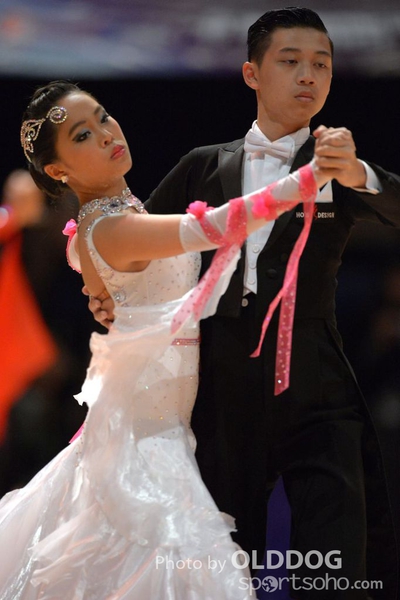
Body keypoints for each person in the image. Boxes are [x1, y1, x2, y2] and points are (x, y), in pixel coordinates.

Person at [89, 7, 400, 599]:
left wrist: (360, 172)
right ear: (251, 73)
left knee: (336, 553)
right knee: (221, 557)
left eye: (322, 65)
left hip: (315, 374)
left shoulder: (336, 165)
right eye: (290, 61)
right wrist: (106, 294)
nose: (308, 75)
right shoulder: (204, 164)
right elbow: (140, 247)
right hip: (219, 376)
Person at [0, 80, 332, 599]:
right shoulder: (110, 228)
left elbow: (112, 276)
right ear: (58, 171)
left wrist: (109, 295)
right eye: (82, 135)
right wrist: (310, 176)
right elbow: (216, 227)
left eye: (103, 117)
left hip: (150, 426)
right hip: (145, 440)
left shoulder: (109, 220)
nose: (107, 134)